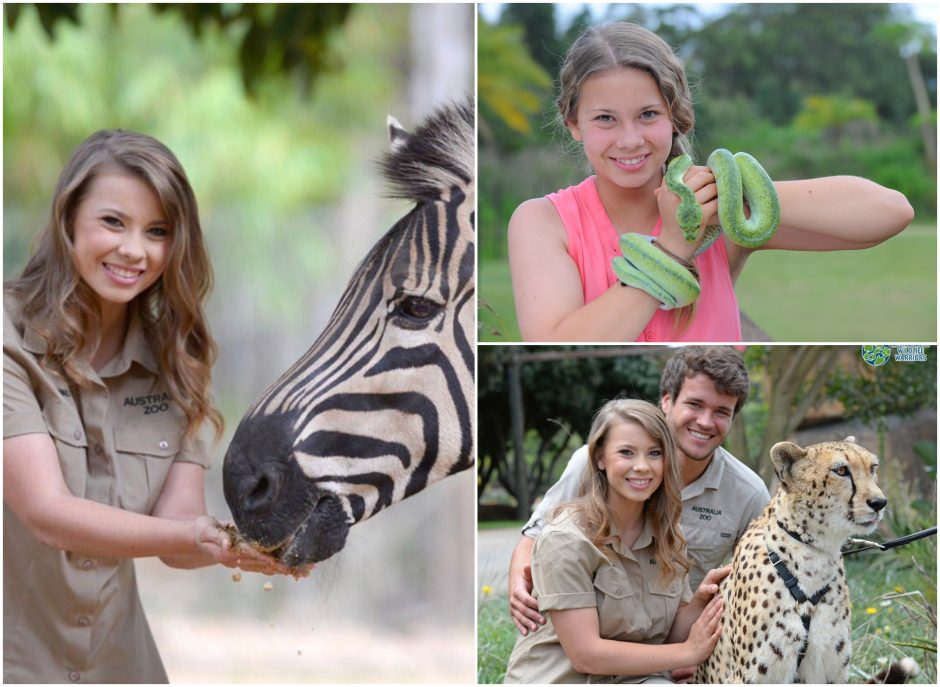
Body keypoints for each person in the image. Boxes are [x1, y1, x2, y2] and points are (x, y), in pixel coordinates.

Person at [3, 130, 305, 684]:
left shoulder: (179, 361)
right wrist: (196, 539)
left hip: (121, 667)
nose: (134, 250)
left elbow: (177, 530)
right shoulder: (7, 338)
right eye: (113, 222)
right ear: (69, 218)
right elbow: (44, 511)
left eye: (157, 231)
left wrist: (236, 543)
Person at [508, 22, 915, 342]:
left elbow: (889, 213)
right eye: (605, 118)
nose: (629, 139)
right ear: (574, 124)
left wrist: (732, 194)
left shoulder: (723, 215)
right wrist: (671, 247)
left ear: (676, 117)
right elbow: (555, 339)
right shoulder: (542, 221)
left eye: (648, 114)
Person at [508, 347, 769, 681]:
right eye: (694, 404)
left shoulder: (678, 527)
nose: (705, 421)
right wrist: (519, 583)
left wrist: (701, 605)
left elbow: (758, 583)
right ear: (667, 400)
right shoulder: (572, 521)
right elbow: (535, 538)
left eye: (721, 411)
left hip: (652, 659)